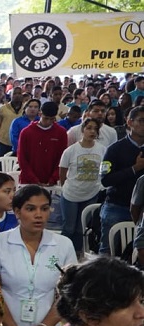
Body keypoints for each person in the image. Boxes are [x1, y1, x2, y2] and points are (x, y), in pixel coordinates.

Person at [0, 184, 75, 326]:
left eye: (44, 209)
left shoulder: (63, 244)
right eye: (30, 209)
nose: (39, 215)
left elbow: (68, 294)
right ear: (17, 212)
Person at [99, 106, 144, 254]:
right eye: (141, 121)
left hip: (141, 210)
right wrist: (134, 168)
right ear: (130, 122)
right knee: (108, 252)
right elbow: (105, 180)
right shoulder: (114, 149)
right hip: (117, 207)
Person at [58, 118, 106, 257]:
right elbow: (63, 172)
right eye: (89, 128)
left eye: (95, 129)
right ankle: (62, 253)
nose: (92, 131)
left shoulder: (102, 150)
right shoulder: (71, 150)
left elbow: (104, 170)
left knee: (81, 227)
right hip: (71, 193)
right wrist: (66, 186)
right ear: (83, 130)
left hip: (91, 192)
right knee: (69, 227)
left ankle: (76, 254)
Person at [17, 101, 67, 186]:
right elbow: (22, 159)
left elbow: (62, 158)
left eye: (52, 119)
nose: (48, 122)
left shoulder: (61, 133)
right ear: (40, 114)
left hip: (51, 182)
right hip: (28, 181)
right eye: (46, 118)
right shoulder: (26, 132)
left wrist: (53, 178)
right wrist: (34, 179)